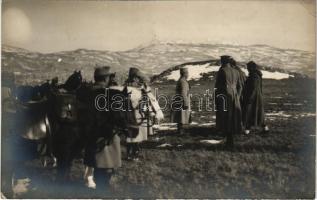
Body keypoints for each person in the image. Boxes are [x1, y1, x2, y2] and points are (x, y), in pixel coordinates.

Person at [83, 66, 122, 191]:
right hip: (106, 136)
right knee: (105, 166)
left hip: (89, 135)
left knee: (92, 162)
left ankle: (91, 179)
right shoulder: (107, 94)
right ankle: (104, 185)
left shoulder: (87, 93)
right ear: (106, 78)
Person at [125, 67, 153, 161]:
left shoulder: (129, 85)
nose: (139, 79)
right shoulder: (131, 86)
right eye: (137, 77)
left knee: (132, 135)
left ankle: (131, 153)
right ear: (134, 78)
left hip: (133, 112)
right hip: (135, 112)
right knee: (135, 134)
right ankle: (134, 154)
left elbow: (147, 81)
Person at [214, 55, 242, 148]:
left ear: (223, 62)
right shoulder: (236, 71)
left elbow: (218, 86)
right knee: (233, 117)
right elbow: (240, 86)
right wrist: (237, 94)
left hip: (225, 96)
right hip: (234, 96)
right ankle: (230, 139)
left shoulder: (222, 71)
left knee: (225, 117)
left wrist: (216, 97)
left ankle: (229, 141)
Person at [242, 61, 269, 134]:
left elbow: (254, 87)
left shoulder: (254, 75)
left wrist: (250, 97)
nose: (247, 69)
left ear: (251, 67)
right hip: (257, 96)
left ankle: (247, 129)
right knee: (258, 113)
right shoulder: (257, 75)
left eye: (248, 67)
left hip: (253, 97)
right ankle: (265, 128)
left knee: (249, 112)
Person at [171, 67, 191, 135]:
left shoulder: (181, 80)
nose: (188, 74)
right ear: (184, 74)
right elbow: (183, 92)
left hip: (179, 100)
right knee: (182, 116)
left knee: (180, 116)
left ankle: (180, 130)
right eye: (187, 73)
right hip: (182, 101)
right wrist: (185, 103)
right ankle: (181, 131)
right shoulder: (183, 81)